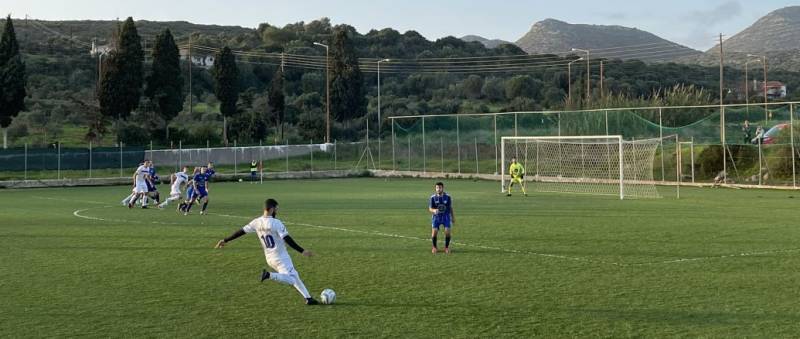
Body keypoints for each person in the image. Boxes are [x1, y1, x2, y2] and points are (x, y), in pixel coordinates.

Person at [214, 198, 319, 305]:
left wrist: (225, 240)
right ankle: (268, 275)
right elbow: (287, 239)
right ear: (272, 209)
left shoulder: (256, 222)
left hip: (269, 258)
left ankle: (308, 298)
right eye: (276, 209)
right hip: (281, 257)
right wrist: (302, 251)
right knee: (292, 279)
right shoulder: (276, 223)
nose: (277, 211)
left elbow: (240, 232)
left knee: (294, 275)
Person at [428, 182, 455, 254]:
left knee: (447, 232)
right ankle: (434, 247)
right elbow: (430, 208)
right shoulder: (433, 197)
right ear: (435, 188)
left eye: (440, 188)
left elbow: (450, 208)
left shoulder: (448, 197)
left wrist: (453, 217)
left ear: (442, 188)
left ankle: (446, 247)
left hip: (446, 217)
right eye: (437, 188)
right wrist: (434, 210)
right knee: (434, 233)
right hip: (436, 218)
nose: (438, 189)